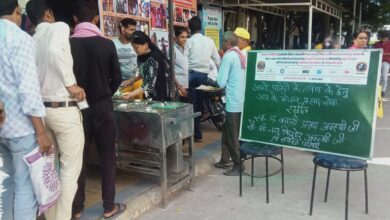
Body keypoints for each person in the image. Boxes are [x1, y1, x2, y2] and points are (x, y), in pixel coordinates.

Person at [25, 1, 86, 219]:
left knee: (50, 171)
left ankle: (52, 217)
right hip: (63, 108)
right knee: (70, 172)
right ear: (48, 13)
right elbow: (55, 50)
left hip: (43, 113)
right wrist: (71, 84)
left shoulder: (31, 40)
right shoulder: (58, 27)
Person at [69, 0, 125, 219]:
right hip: (103, 106)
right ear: (96, 19)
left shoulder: (68, 44)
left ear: (75, 20)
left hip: (77, 108)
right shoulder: (107, 44)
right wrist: (105, 92)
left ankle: (76, 208)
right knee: (107, 156)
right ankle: (109, 206)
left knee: (78, 158)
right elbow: (117, 77)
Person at [0, 1, 52, 219]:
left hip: (2, 125)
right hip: (21, 127)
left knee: (7, 181)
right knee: (25, 186)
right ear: (17, 12)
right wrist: (41, 132)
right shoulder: (20, 38)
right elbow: (28, 89)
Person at [215, 31, 246, 176]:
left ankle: (238, 166)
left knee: (232, 135)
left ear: (227, 43)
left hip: (233, 102)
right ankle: (225, 159)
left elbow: (220, 82)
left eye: (223, 42)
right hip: (242, 101)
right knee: (227, 131)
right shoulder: (242, 55)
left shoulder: (228, 56)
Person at [187, 16, 221, 142]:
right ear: (200, 27)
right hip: (204, 77)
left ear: (189, 28)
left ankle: (197, 135)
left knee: (193, 105)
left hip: (191, 76)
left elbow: (184, 60)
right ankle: (205, 114)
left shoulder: (189, 42)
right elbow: (217, 60)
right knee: (201, 102)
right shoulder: (209, 41)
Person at [121, 30, 172, 101]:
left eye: (136, 47)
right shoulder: (141, 56)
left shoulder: (152, 58)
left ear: (145, 45)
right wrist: (131, 80)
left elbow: (148, 84)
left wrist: (131, 94)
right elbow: (143, 73)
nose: (134, 50)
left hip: (159, 95)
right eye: (133, 47)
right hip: (149, 95)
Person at [113, 18, 143, 99]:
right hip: (121, 84)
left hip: (136, 82)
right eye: (131, 30)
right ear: (123, 30)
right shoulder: (112, 44)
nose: (134, 32)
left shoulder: (137, 44)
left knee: (139, 107)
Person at [174, 26, 189, 101]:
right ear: (176, 38)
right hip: (178, 86)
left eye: (186, 37)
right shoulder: (172, 50)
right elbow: (170, 70)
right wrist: (179, 86)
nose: (185, 39)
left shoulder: (186, 48)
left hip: (187, 85)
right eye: (182, 37)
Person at [374, 31, 390, 97]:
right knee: (376, 76)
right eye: (382, 38)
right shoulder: (377, 43)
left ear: (387, 38)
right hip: (377, 61)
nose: (383, 39)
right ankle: (375, 89)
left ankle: (383, 90)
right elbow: (374, 51)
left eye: (385, 38)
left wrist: (384, 53)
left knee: (384, 76)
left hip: (386, 61)